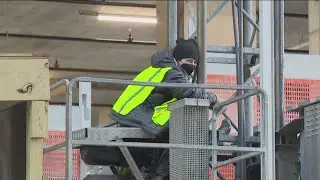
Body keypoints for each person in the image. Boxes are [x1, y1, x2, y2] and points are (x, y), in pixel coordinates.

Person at [110, 38, 221, 179]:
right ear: (178, 59)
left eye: (194, 62)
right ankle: (160, 176)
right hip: (137, 112)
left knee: (174, 134)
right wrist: (213, 99)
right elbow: (186, 92)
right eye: (188, 60)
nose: (192, 65)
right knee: (182, 132)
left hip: (135, 112)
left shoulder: (163, 68)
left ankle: (155, 173)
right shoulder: (170, 71)